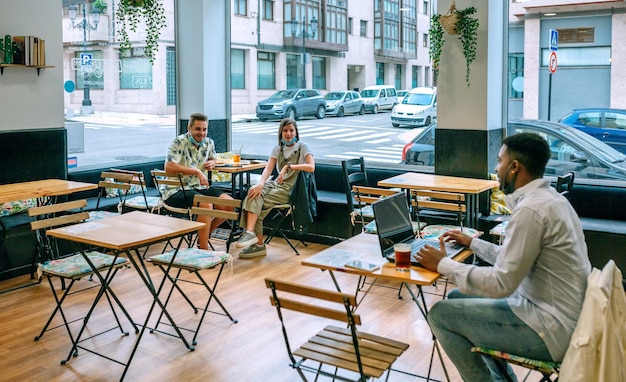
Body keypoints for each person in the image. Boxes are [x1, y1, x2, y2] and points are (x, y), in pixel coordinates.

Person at [416, 133, 592, 382]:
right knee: (457, 297)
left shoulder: (531, 210)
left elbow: (502, 283)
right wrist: (473, 243)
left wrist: (443, 265)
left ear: (514, 167)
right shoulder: (550, 200)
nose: (496, 169)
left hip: (552, 331)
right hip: (562, 316)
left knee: (440, 315)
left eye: (499, 161)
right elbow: (515, 259)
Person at [235, 118, 315, 259]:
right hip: (276, 185)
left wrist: (288, 167)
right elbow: (267, 169)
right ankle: (250, 234)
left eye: (291, 130)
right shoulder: (278, 149)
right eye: (285, 131)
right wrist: (260, 185)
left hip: (291, 189)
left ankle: (257, 243)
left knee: (257, 203)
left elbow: (311, 167)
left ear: (296, 132)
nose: (288, 134)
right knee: (254, 193)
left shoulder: (303, 147)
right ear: (280, 133)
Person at [162, 112, 234, 250]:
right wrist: (197, 171)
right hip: (176, 189)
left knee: (229, 205)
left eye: (204, 129)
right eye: (198, 129)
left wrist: (213, 162)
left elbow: (214, 158)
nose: (201, 133)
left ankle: (203, 237)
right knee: (206, 204)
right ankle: (204, 249)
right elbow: (169, 167)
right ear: (189, 128)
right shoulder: (178, 142)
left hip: (199, 187)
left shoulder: (209, 143)